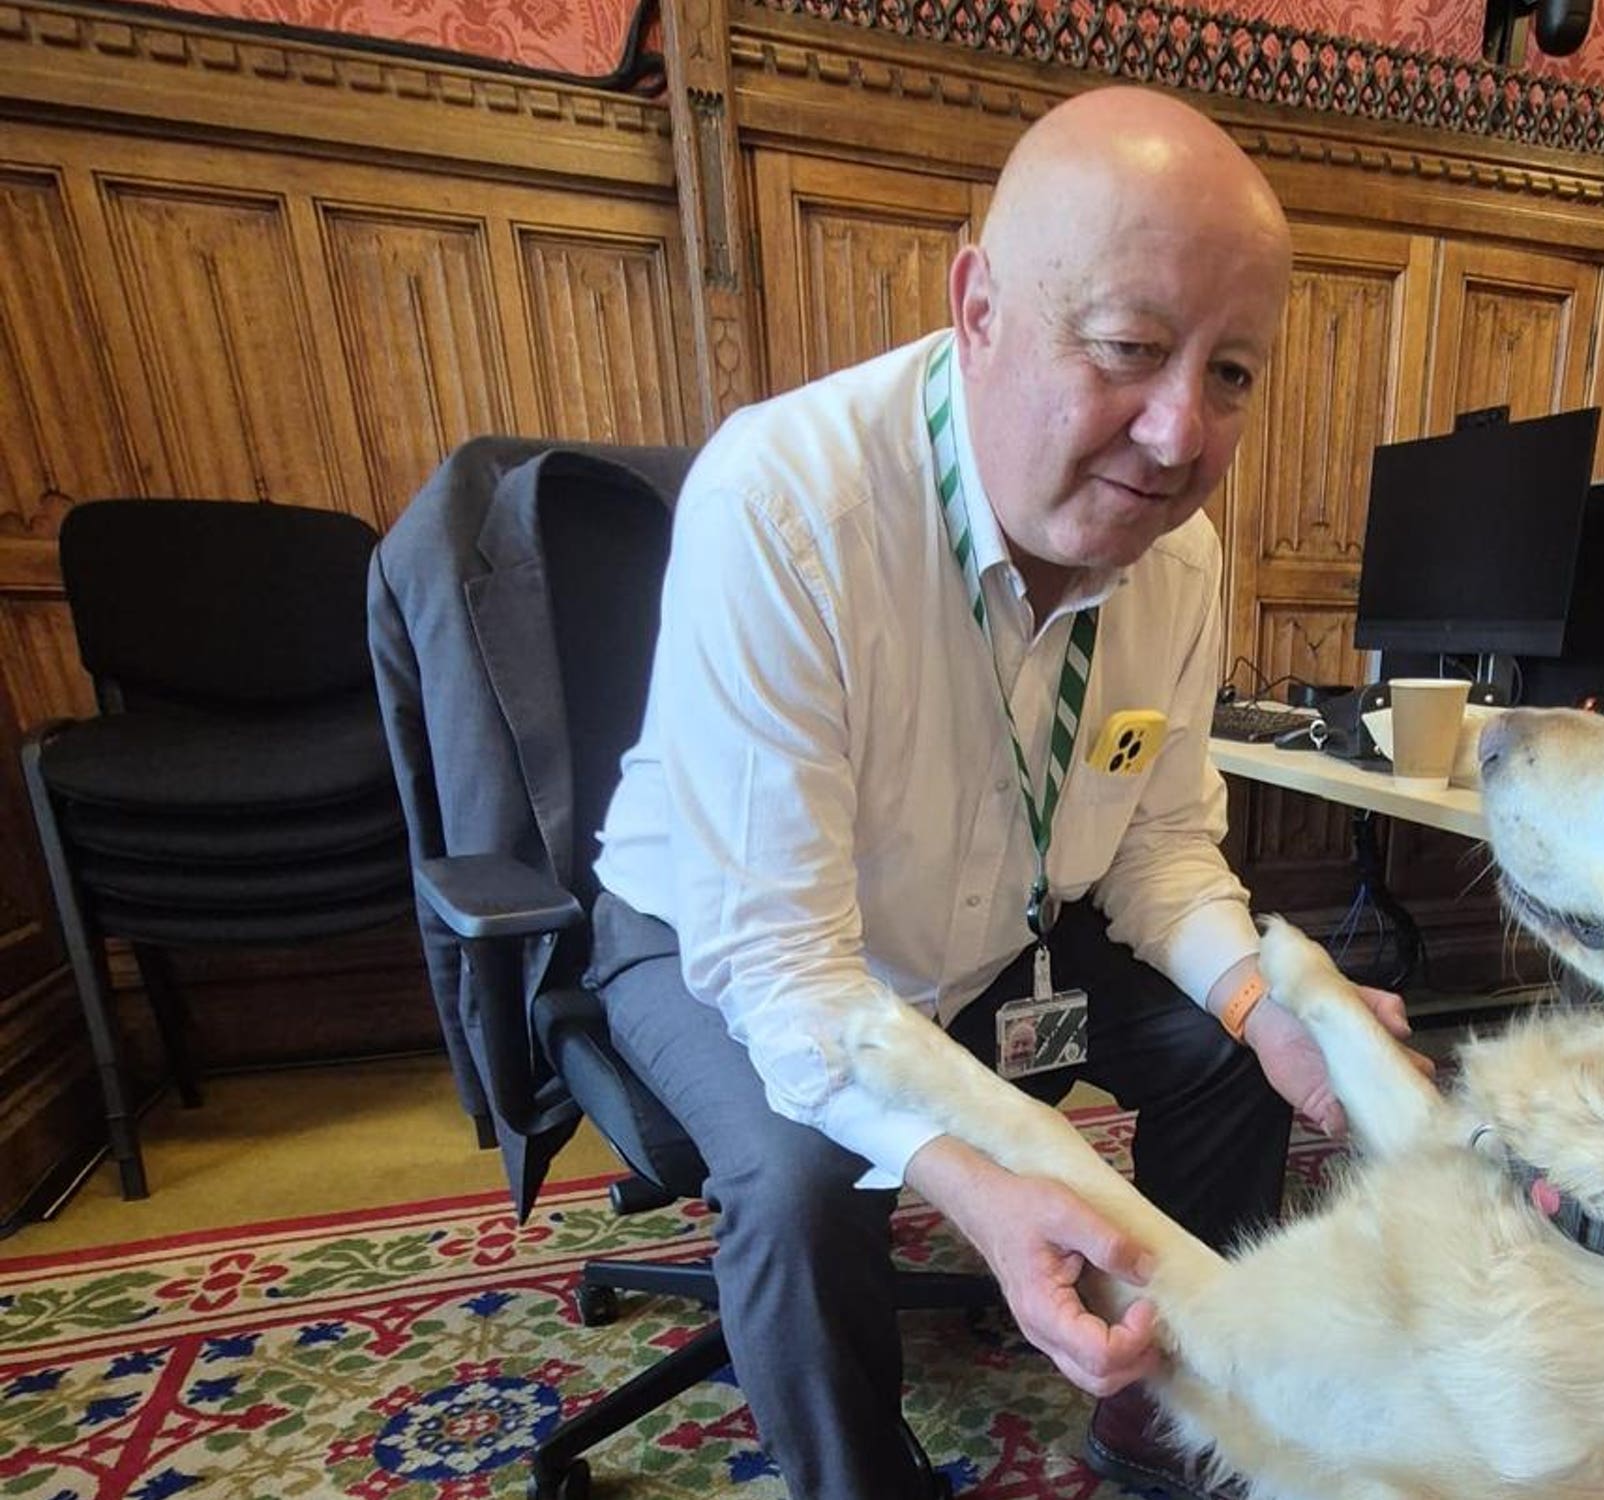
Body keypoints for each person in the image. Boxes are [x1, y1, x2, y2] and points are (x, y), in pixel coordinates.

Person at [588, 85, 1412, 1499]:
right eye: (1129, 349)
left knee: (1231, 1056)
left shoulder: (1180, 554)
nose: (1177, 438)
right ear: (977, 308)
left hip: (999, 928)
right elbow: (783, 966)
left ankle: (1175, 1414)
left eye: (1229, 376)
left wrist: (1265, 1002)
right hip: (723, 944)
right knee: (796, 1187)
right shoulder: (783, 505)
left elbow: (1157, 852)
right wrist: (968, 1180)